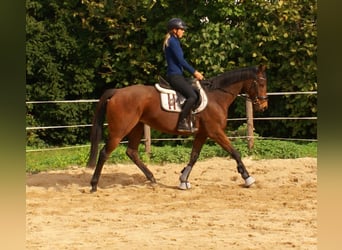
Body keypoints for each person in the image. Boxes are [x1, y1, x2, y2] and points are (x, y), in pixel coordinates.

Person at [163, 17, 204, 132]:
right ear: (174, 30)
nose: (183, 31)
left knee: (196, 90)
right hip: (175, 76)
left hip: (178, 75)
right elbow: (181, 61)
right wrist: (195, 72)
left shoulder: (174, 41)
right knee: (192, 96)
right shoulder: (173, 42)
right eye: (181, 29)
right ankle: (182, 122)